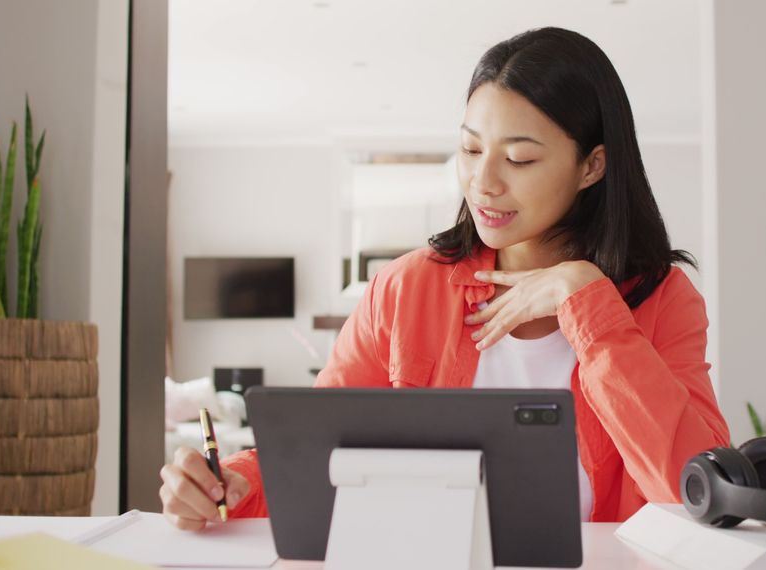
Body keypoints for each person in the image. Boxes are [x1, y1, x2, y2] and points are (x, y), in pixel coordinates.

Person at [159, 26, 730, 531]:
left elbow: (696, 490)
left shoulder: (664, 300)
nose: (483, 182)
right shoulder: (406, 288)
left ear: (592, 166)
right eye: (470, 149)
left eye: (520, 159)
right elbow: (312, 451)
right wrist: (228, 483)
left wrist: (588, 306)